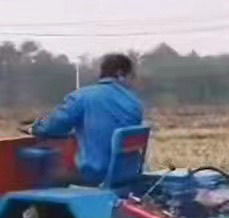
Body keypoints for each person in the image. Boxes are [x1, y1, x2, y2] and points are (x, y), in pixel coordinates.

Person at [30, 53, 144, 186]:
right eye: (132, 77)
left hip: (95, 175)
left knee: (49, 180)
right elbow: (110, 126)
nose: (132, 82)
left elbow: (55, 126)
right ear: (120, 73)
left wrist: (35, 127)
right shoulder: (134, 102)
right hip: (127, 176)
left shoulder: (83, 97)